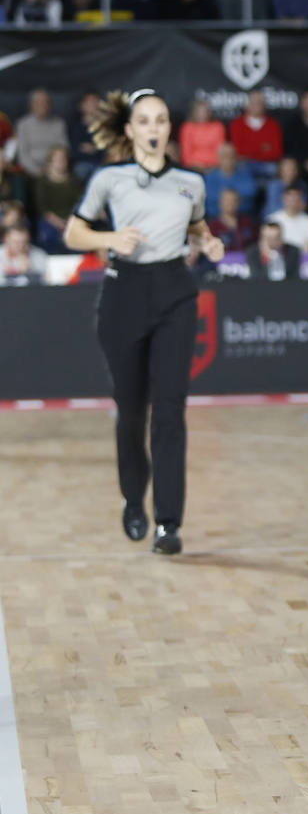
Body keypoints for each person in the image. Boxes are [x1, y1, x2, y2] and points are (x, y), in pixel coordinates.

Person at [63, 89, 225, 555]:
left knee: (170, 411)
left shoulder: (191, 182)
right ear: (130, 130)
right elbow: (74, 231)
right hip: (123, 292)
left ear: (168, 129)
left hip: (175, 289)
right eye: (144, 121)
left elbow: (196, 225)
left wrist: (208, 242)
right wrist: (111, 236)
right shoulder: (109, 178)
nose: (153, 128)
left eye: (160, 121)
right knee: (131, 412)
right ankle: (134, 499)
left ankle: (168, 523)